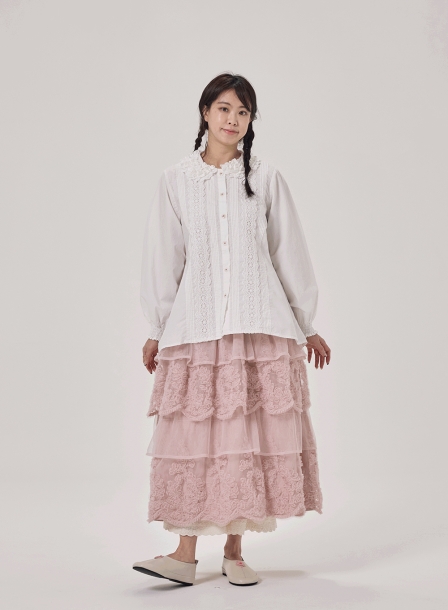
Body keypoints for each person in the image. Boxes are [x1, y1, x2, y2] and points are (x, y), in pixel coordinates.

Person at [132, 72, 331, 587]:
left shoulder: (265, 178)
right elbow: (164, 256)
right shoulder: (176, 180)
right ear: (205, 112)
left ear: (250, 121)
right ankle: (182, 554)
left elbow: (288, 251)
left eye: (243, 112)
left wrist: (306, 324)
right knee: (195, 437)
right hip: (196, 327)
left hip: (258, 325)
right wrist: (157, 327)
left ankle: (235, 552)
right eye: (224, 108)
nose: (233, 120)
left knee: (248, 437)